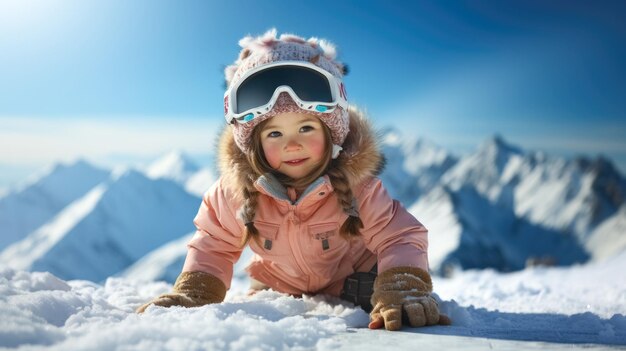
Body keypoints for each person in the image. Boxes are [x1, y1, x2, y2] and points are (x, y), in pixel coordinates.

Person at [137, 29, 450, 331]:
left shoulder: (360, 189)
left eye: (306, 128)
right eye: (274, 133)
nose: (292, 144)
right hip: (281, 289)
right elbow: (213, 246)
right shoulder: (234, 194)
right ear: (254, 146)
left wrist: (401, 287)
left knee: (372, 284)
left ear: (333, 135)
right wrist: (197, 291)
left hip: (356, 286)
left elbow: (399, 237)